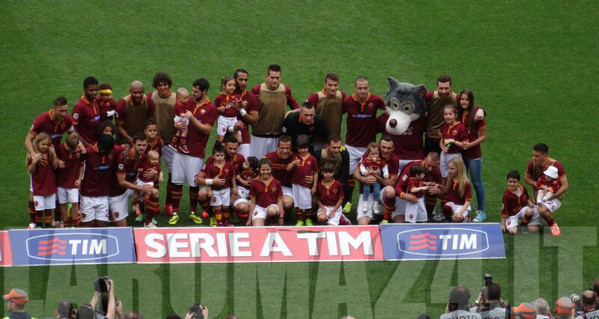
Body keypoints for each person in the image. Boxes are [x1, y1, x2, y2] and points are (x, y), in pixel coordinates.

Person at [169, 78, 217, 225]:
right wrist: (175, 123)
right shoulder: (189, 101)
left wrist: (193, 119)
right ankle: (175, 212)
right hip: (180, 150)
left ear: (204, 91)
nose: (193, 94)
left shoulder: (211, 108)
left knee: (194, 184)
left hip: (196, 152)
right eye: (193, 90)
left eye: (196, 91)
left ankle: (192, 212)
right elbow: (177, 111)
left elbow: (207, 129)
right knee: (176, 181)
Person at [343, 76, 386, 202]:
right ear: (355, 88)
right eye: (360, 88)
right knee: (349, 175)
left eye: (365, 88)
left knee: (370, 173)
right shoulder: (347, 102)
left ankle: (371, 201)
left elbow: (389, 109)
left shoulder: (376, 100)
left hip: (369, 147)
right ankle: (348, 202)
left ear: (369, 87)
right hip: (351, 145)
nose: (363, 91)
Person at [424, 75, 484, 155]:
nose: (443, 91)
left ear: (451, 87)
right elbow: (416, 102)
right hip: (431, 138)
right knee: (431, 164)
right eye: (441, 88)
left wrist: (481, 110)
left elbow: (469, 105)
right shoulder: (430, 96)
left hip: (449, 138)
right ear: (437, 87)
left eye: (446, 88)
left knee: (450, 165)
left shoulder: (456, 98)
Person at [250, 64, 300, 159]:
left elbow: (297, 108)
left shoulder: (285, 90)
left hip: (277, 136)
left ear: (281, 77)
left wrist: (290, 113)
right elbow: (250, 110)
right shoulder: (257, 90)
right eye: (272, 77)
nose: (275, 80)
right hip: (259, 136)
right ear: (267, 76)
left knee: (274, 167)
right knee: (256, 165)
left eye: (277, 78)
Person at [148, 72, 178, 214]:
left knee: (173, 175)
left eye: (165, 84)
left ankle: (169, 204)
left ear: (169, 85)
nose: (162, 88)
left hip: (171, 142)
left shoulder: (176, 99)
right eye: (159, 85)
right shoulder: (152, 97)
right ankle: (153, 204)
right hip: (155, 142)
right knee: (153, 173)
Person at [524, 143, 568, 236]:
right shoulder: (532, 164)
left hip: (554, 196)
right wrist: (537, 184)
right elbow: (526, 178)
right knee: (532, 229)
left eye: (536, 155)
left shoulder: (556, 165)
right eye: (533, 155)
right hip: (538, 196)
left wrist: (551, 195)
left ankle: (553, 224)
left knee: (542, 210)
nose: (533, 158)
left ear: (545, 156)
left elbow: (565, 186)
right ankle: (541, 217)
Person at [353, 136, 399, 225]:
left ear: (393, 148)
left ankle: (386, 217)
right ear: (379, 146)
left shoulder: (394, 160)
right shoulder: (369, 154)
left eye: (389, 148)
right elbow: (355, 174)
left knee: (390, 191)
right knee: (362, 223)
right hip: (367, 192)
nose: (385, 150)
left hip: (382, 192)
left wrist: (376, 176)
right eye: (383, 147)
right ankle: (375, 211)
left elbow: (392, 182)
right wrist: (364, 179)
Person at [458, 89, 487, 222]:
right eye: (462, 99)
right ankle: (463, 210)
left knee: (476, 182)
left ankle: (481, 211)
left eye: (466, 99)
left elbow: (483, 137)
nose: (464, 102)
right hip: (460, 153)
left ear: (471, 101)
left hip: (474, 154)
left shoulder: (477, 114)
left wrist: (471, 144)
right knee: (463, 182)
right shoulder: (457, 112)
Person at [113, 133, 154, 227]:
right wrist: (140, 188)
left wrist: (155, 172)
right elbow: (121, 182)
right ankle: (113, 212)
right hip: (118, 191)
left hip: (132, 187)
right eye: (139, 145)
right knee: (122, 227)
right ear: (133, 145)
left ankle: (148, 222)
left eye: (144, 145)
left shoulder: (143, 156)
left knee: (154, 192)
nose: (141, 147)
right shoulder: (124, 157)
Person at [79, 134, 120, 227]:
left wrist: (125, 151)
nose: (109, 153)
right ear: (100, 148)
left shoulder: (112, 149)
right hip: (87, 196)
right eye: (107, 151)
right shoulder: (88, 152)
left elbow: (124, 147)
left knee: (101, 225)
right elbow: (78, 165)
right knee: (87, 225)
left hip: (103, 196)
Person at [395, 152, 444, 223]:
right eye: (429, 165)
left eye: (433, 167)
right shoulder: (413, 167)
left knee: (423, 223)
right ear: (425, 159)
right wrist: (404, 196)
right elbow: (398, 187)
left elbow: (445, 191)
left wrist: (439, 191)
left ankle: (429, 214)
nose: (430, 169)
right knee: (401, 222)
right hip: (406, 197)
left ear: (438, 165)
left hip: (420, 199)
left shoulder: (437, 171)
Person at [196, 144, 237, 226]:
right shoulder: (211, 167)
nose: (220, 157)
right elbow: (205, 179)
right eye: (218, 156)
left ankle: (226, 221)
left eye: (222, 155)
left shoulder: (229, 165)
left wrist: (234, 187)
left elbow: (233, 176)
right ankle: (219, 222)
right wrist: (209, 189)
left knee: (225, 206)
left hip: (226, 189)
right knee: (217, 206)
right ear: (214, 156)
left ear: (224, 155)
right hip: (215, 190)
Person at [313, 134, 351, 214]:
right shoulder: (318, 155)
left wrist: (332, 185)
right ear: (328, 146)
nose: (337, 150)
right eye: (334, 147)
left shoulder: (344, 154)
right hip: (321, 183)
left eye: (339, 147)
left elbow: (345, 175)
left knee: (346, 186)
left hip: (336, 183)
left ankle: (340, 206)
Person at [27, 132, 59, 228]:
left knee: (49, 208)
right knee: (39, 208)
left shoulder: (50, 154)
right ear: (38, 144)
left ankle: (48, 226)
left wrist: (54, 154)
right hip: (38, 187)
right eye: (43, 144)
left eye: (47, 145)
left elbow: (55, 166)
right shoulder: (33, 155)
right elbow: (31, 171)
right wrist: (34, 162)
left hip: (49, 186)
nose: (45, 147)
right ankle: (39, 225)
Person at [287, 135, 318, 226]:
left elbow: (316, 172)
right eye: (300, 148)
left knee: (307, 203)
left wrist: (314, 186)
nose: (302, 150)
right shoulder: (295, 157)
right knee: (298, 203)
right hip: (296, 184)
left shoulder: (312, 159)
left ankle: (308, 219)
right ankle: (300, 220)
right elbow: (288, 169)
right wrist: (293, 163)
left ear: (308, 148)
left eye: (304, 148)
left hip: (306, 185)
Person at [56, 132, 84, 227]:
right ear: (66, 144)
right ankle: (66, 223)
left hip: (73, 182)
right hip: (61, 182)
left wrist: (79, 179)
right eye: (69, 148)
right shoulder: (60, 148)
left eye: (73, 148)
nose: (71, 150)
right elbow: (52, 159)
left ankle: (75, 224)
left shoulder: (80, 150)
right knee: (63, 203)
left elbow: (81, 166)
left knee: (74, 203)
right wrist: (58, 161)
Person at [115, 81, 156, 146]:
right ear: (130, 91)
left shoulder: (149, 102)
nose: (138, 95)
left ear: (143, 91)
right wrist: (131, 140)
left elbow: (150, 123)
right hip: (125, 139)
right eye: (135, 92)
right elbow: (119, 127)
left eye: (140, 92)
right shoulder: (122, 104)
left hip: (142, 138)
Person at [231, 68, 260, 159]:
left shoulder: (251, 98)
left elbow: (255, 122)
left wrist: (241, 110)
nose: (244, 82)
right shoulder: (225, 97)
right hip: (226, 138)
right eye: (241, 80)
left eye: (246, 80)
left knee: (244, 168)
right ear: (234, 79)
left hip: (244, 140)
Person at [246, 158, 285, 226]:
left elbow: (279, 200)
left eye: (267, 170)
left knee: (271, 211)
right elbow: (252, 202)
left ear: (271, 169)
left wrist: (281, 217)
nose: (265, 172)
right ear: (259, 170)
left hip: (272, 206)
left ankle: (272, 222)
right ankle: (263, 221)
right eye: (263, 170)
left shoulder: (276, 182)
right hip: (259, 208)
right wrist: (249, 219)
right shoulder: (254, 183)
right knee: (257, 228)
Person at [306, 72, 346, 137]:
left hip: (335, 137)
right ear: (325, 85)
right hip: (318, 138)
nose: (333, 88)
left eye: (335, 85)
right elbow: (305, 112)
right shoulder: (316, 97)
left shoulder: (341, 96)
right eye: (330, 85)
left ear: (338, 85)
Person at [264, 135, 297, 214]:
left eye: (287, 148)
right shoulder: (268, 157)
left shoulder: (296, 159)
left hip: (288, 188)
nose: (285, 151)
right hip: (272, 186)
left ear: (291, 147)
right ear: (278, 147)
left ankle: (285, 215)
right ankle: (271, 216)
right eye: (282, 148)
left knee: (287, 203)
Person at [501, 170, 540, 234]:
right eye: (510, 182)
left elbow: (526, 198)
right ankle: (511, 224)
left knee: (530, 211)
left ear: (518, 182)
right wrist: (502, 224)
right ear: (507, 181)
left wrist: (529, 202)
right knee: (512, 232)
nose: (512, 184)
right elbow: (503, 210)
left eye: (514, 182)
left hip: (521, 210)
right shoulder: (507, 195)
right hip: (512, 215)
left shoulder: (523, 189)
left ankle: (524, 223)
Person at [134, 150, 162, 228]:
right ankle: (138, 207)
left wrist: (158, 175)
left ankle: (149, 220)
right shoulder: (142, 161)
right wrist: (139, 170)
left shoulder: (155, 165)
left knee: (151, 192)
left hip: (149, 182)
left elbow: (160, 171)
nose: (155, 161)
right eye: (153, 159)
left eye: (157, 159)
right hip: (137, 181)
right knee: (139, 193)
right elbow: (138, 168)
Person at [359, 142, 389, 214]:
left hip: (377, 179)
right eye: (372, 154)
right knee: (366, 189)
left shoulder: (380, 161)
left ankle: (375, 204)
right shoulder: (366, 160)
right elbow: (361, 166)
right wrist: (364, 171)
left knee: (377, 190)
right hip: (368, 177)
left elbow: (384, 167)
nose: (375, 156)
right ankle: (365, 202)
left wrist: (385, 173)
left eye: (376, 154)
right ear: (368, 153)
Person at [439, 104, 468, 178]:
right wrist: (442, 147)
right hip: (444, 154)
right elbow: (441, 140)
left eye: (450, 114)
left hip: (455, 155)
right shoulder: (444, 126)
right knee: (444, 176)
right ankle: (445, 189)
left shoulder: (461, 127)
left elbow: (465, 145)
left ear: (455, 115)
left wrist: (453, 141)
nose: (448, 116)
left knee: (455, 177)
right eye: (445, 114)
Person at [441, 157, 472, 223]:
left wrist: (460, 212)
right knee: (446, 208)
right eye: (449, 168)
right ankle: (449, 219)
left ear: (459, 169)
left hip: (462, 205)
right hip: (453, 203)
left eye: (452, 169)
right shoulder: (449, 179)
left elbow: (468, 201)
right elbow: (447, 191)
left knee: (457, 219)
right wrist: (438, 186)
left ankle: (466, 217)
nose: (449, 170)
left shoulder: (465, 183)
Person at [72, 76, 100, 146]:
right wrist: (85, 144)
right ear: (85, 89)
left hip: (96, 143)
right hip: (86, 145)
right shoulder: (79, 106)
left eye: (96, 90)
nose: (94, 92)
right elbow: (72, 128)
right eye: (91, 90)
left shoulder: (96, 101)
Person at [215, 77, 243, 144]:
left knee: (239, 140)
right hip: (223, 120)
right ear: (224, 86)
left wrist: (241, 103)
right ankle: (216, 150)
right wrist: (219, 109)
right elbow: (213, 109)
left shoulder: (237, 96)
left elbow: (241, 107)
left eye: (234, 85)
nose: (232, 87)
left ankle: (226, 147)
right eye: (229, 85)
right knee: (220, 140)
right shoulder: (219, 97)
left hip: (233, 119)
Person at [234, 156, 259, 223]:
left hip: (245, 191)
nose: (243, 163)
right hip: (245, 192)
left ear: (250, 168)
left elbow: (248, 183)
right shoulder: (247, 171)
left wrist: (239, 179)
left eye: (246, 163)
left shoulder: (248, 173)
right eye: (244, 161)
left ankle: (240, 212)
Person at [168, 87, 191, 153]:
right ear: (178, 98)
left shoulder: (180, 103)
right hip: (180, 118)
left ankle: (173, 143)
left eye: (187, 97)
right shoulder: (179, 105)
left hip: (178, 118)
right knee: (185, 131)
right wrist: (187, 114)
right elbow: (181, 114)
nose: (187, 100)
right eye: (185, 98)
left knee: (178, 132)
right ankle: (182, 145)